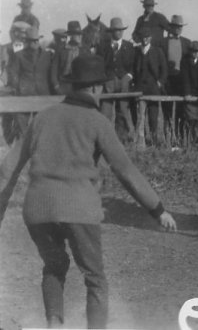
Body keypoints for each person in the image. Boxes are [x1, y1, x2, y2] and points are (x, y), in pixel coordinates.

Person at [0, 55, 177, 329]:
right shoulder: (97, 121)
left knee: (54, 267)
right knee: (95, 278)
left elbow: (8, 168)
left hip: (37, 211)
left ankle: (53, 325)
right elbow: (126, 171)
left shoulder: (42, 118)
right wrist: (158, 210)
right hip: (78, 210)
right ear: (95, 88)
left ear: (73, 86)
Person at [98, 17, 136, 137]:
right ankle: (105, 138)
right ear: (111, 31)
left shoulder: (129, 46)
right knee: (105, 112)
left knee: (123, 110)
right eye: (116, 30)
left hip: (123, 82)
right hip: (108, 82)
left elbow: (133, 66)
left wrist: (128, 76)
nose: (119, 32)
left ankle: (121, 138)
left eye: (121, 30)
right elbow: (99, 64)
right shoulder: (102, 46)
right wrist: (104, 79)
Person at [134, 27, 168, 143]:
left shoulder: (157, 51)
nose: (145, 40)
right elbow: (134, 70)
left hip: (153, 88)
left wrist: (160, 82)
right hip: (140, 89)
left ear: (150, 38)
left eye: (147, 37)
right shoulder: (137, 51)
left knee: (153, 117)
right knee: (141, 116)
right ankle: (141, 141)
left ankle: (153, 140)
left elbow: (164, 69)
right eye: (143, 38)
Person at [180, 41, 198, 143]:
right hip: (190, 91)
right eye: (193, 51)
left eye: (197, 51)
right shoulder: (184, 61)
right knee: (190, 118)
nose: (195, 53)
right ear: (190, 51)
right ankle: (189, 140)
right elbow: (185, 78)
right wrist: (187, 93)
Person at [51, 21, 88, 95]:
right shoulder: (61, 50)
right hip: (64, 86)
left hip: (80, 87)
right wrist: (56, 87)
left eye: (80, 34)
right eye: (77, 34)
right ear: (70, 35)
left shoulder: (85, 50)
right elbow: (53, 71)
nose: (80, 36)